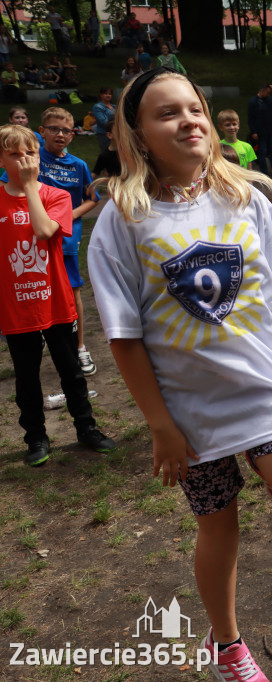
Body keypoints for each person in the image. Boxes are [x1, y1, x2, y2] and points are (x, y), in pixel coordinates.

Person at [87, 68, 272, 682]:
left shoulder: (244, 194)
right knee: (218, 524)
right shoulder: (122, 219)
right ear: (137, 134)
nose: (188, 120)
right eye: (167, 113)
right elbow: (124, 337)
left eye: (193, 108)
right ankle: (227, 645)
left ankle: (263, 455)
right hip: (190, 411)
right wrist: (161, 426)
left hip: (264, 388)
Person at [0, 124, 115, 467]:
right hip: (16, 305)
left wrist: (31, 188)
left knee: (70, 370)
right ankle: (35, 437)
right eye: (14, 154)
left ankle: (86, 428)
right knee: (26, 375)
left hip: (55, 301)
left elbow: (44, 230)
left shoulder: (56, 195)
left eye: (30, 153)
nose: (24, 160)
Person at [0, 107, 100, 375]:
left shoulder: (78, 165)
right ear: (41, 131)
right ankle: (33, 334)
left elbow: (92, 198)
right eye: (54, 129)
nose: (60, 134)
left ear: (73, 135)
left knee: (72, 291)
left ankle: (79, 348)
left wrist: (68, 215)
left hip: (62, 235)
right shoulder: (30, 155)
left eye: (66, 130)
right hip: (26, 241)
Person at [247, 82, 272, 177]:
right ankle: (264, 173)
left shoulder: (268, 100)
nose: (268, 95)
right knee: (262, 152)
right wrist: (253, 131)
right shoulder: (254, 102)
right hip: (260, 132)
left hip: (270, 131)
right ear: (262, 91)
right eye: (268, 92)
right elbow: (251, 118)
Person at [91, 87, 115, 154]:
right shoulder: (97, 107)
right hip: (104, 134)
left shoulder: (115, 106)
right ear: (101, 95)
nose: (108, 95)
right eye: (105, 93)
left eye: (110, 94)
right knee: (107, 153)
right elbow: (104, 121)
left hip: (116, 134)